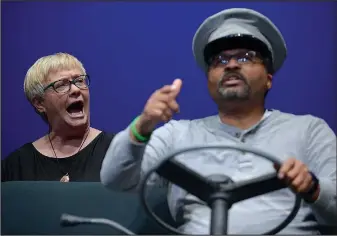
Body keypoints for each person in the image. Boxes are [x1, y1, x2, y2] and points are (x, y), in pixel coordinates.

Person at [100, 8, 336, 234]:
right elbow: (114, 180)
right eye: (220, 60)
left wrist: (313, 188)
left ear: (269, 79)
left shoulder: (309, 130)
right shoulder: (177, 135)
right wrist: (142, 125)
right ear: (209, 79)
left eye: (246, 57)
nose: (231, 65)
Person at [2, 53, 115, 182]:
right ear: (39, 103)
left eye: (79, 81)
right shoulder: (16, 166)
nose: (75, 90)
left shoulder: (119, 151)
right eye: (61, 85)